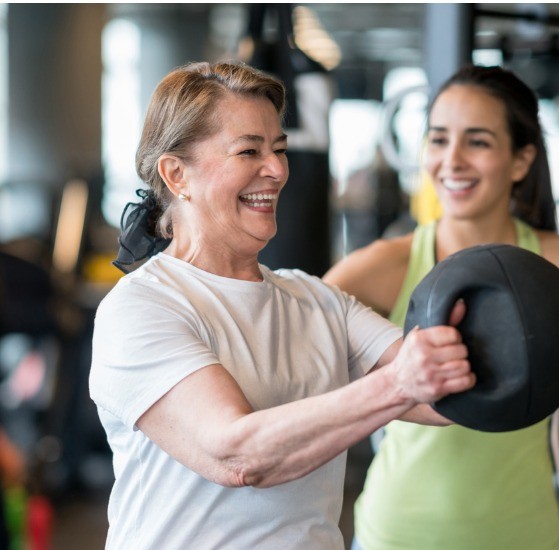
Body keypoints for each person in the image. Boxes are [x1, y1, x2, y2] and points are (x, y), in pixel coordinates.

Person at [88, 61, 475, 550]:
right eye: (249, 150)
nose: (275, 170)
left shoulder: (318, 300)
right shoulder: (144, 307)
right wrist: (398, 383)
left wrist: (496, 344)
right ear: (176, 174)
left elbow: (436, 396)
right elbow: (238, 455)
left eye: (279, 149)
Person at [324, 65, 559, 549]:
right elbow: (300, 385)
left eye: (477, 142)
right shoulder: (378, 269)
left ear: (521, 161)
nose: (451, 160)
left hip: (524, 536)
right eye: (438, 139)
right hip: (397, 535)